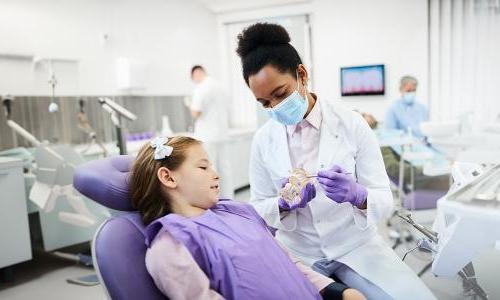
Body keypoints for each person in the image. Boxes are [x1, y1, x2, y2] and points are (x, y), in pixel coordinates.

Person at [236, 23, 436, 299]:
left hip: (355, 246)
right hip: (298, 250)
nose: (275, 108)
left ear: (301, 74)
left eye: (280, 94)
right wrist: (282, 203)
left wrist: (358, 195)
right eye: (264, 103)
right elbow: (258, 206)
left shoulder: (351, 123)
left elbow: (384, 197)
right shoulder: (263, 140)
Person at [129, 136, 365, 300]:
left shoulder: (237, 212)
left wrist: (336, 291)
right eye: (203, 167)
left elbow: (289, 264)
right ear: (169, 178)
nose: (216, 174)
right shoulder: (171, 247)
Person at [189, 65, 233, 199]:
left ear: (196, 74)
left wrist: (189, 106)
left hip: (207, 136)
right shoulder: (220, 87)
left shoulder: (201, 87)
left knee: (209, 168)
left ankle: (213, 199)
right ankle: (228, 198)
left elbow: (196, 113)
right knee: (225, 168)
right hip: (222, 133)